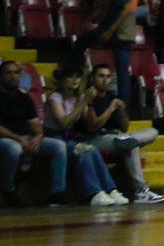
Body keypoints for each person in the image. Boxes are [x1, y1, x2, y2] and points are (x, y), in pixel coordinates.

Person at [0, 60, 68, 206]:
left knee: (59, 146)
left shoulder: (24, 98)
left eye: (16, 73)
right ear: (0, 77)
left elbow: (34, 123)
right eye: (9, 73)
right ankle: (9, 189)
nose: (13, 76)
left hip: (25, 138)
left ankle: (58, 193)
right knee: (14, 148)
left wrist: (39, 136)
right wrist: (18, 138)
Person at [43, 66, 128, 207]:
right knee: (84, 151)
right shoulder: (55, 97)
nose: (75, 80)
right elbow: (64, 123)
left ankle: (111, 189)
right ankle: (94, 192)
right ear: (62, 80)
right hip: (54, 137)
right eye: (70, 77)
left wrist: (90, 104)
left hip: (71, 137)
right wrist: (83, 103)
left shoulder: (80, 97)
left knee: (91, 148)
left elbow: (91, 125)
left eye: (78, 77)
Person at [82, 65, 164, 203]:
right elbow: (94, 126)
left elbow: (125, 127)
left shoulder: (112, 97)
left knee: (152, 131)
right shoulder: (89, 98)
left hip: (119, 136)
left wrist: (121, 111)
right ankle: (141, 190)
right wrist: (111, 108)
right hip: (97, 138)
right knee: (130, 144)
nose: (104, 80)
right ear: (93, 78)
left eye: (108, 76)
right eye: (101, 76)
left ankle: (127, 140)